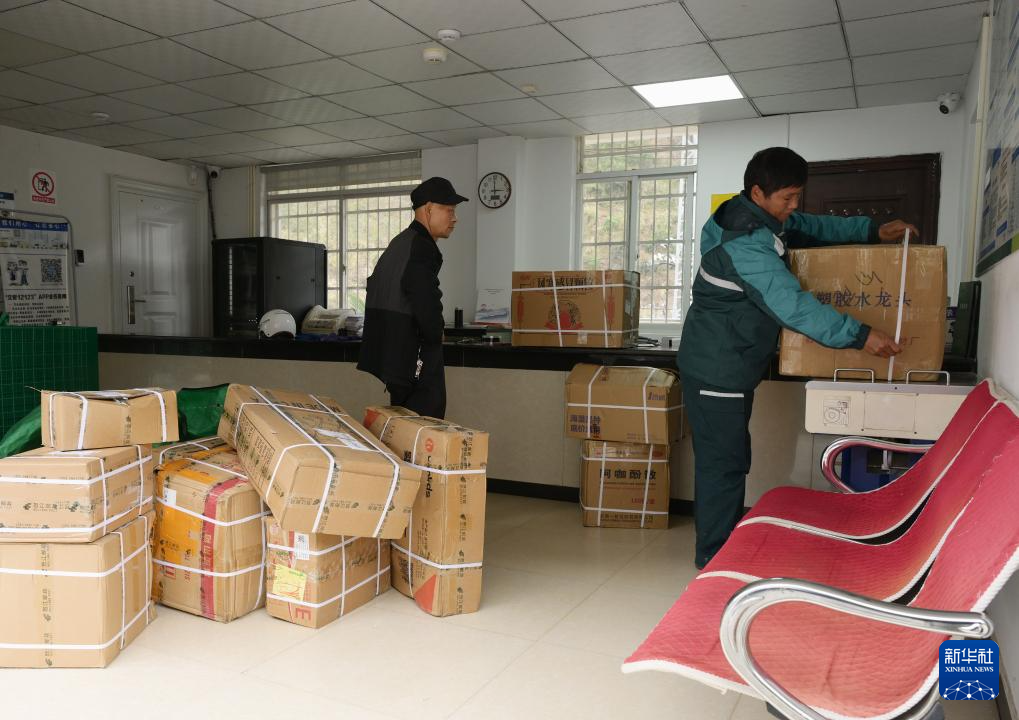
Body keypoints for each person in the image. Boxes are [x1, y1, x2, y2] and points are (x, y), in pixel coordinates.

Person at [678, 146, 918, 569]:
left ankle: (724, 548)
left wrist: (872, 230)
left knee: (729, 458)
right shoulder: (744, 244)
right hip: (717, 368)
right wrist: (861, 334)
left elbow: (810, 225)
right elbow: (792, 306)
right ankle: (714, 560)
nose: (793, 206)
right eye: (787, 198)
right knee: (723, 464)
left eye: (796, 196)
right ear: (758, 192)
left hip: (729, 364)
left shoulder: (759, 218)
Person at [356, 176, 468, 419]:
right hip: (413, 353)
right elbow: (423, 296)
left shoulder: (400, 242)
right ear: (429, 209)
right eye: (449, 210)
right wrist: (436, 331)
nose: (454, 218)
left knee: (404, 424)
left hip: (393, 355)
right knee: (425, 424)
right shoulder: (422, 247)